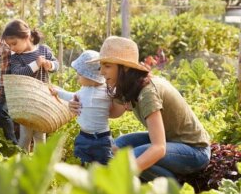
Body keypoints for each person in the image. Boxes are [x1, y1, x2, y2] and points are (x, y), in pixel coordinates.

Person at [70, 36, 211, 181]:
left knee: (132, 157)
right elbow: (112, 112)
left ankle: (173, 187)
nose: (101, 72)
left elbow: (159, 148)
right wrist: (80, 105)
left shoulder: (148, 92)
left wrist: (122, 174)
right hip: (171, 142)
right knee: (116, 147)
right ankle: (159, 177)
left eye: (107, 66)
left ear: (124, 68)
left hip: (195, 150)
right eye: (102, 66)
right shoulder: (128, 86)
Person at [1, 19, 59, 151]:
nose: (12, 48)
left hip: (42, 99)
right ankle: (22, 164)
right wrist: (35, 65)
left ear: (26, 37)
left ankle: (40, 164)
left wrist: (50, 65)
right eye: (9, 45)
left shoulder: (43, 50)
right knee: (25, 136)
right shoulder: (16, 57)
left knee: (40, 135)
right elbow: (17, 74)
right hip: (26, 101)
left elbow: (57, 64)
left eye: (14, 43)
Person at [51, 50, 113, 165]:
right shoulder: (83, 91)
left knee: (105, 165)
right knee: (81, 163)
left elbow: (118, 98)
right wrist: (57, 92)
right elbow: (70, 96)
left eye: (80, 74)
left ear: (90, 76)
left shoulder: (108, 91)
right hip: (83, 137)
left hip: (103, 139)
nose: (77, 77)